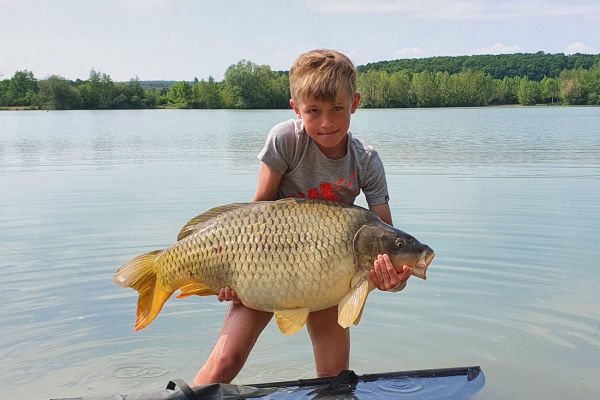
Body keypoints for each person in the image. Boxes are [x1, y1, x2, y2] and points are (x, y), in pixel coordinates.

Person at [192, 49, 413, 385]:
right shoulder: (286, 140)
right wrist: (232, 276)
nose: (326, 122)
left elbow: (385, 238)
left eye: (337, 108)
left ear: (354, 103)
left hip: (327, 274)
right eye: (313, 111)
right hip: (266, 265)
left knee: (333, 377)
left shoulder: (366, 160)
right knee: (225, 362)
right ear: (296, 109)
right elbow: (255, 212)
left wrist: (394, 279)